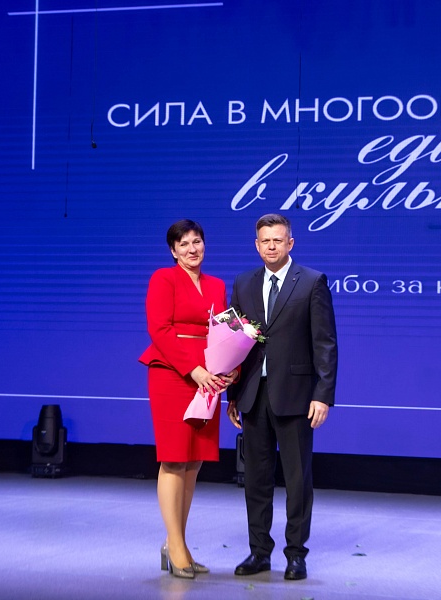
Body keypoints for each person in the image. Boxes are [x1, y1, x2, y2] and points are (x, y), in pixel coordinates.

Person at [227, 213, 338, 581]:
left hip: (296, 396)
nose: (271, 246)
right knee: (256, 480)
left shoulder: (312, 281)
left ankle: (296, 554)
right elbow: (235, 343)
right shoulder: (243, 282)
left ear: (291, 243)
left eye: (278, 240)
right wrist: (233, 394)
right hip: (253, 395)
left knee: (297, 480)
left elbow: (325, 342)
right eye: (265, 241)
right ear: (256, 245)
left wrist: (323, 394)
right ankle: (259, 552)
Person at [139, 219, 238, 579]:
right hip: (173, 373)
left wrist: (232, 367)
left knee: (194, 460)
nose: (192, 249)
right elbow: (159, 329)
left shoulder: (216, 285)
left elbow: (224, 332)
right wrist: (192, 369)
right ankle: (177, 545)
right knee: (174, 458)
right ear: (173, 250)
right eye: (183, 244)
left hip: (208, 377)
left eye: (197, 242)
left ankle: (175, 543)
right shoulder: (163, 279)